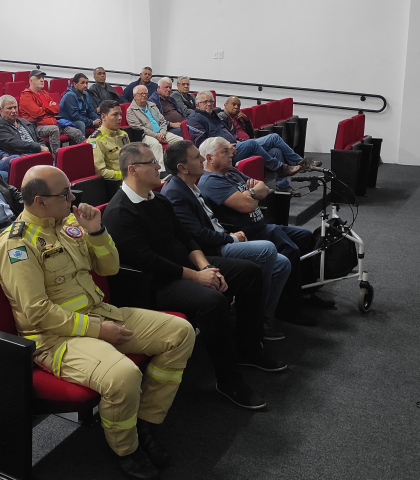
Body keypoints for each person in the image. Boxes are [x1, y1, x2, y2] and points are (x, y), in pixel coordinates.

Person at [0, 165, 195, 479]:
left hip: (101, 313)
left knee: (180, 332)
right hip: (55, 339)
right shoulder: (15, 244)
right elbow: (36, 312)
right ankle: (126, 450)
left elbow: (110, 268)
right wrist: (98, 330)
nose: (73, 198)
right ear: (39, 201)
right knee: (123, 375)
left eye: (71, 190)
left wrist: (96, 231)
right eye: (65, 194)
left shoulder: (69, 224)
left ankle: (145, 422)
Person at [103, 142, 283, 411]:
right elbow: (147, 262)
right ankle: (228, 379)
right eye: (152, 163)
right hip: (153, 283)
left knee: (249, 272)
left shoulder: (158, 198)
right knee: (212, 300)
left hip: (184, 268)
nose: (158, 167)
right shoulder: (120, 211)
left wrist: (202, 267)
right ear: (133, 170)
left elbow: (186, 238)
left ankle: (247, 347)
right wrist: (196, 277)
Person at [162, 140, 291, 339]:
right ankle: (250, 321)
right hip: (210, 249)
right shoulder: (175, 193)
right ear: (182, 167)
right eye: (197, 157)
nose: (203, 159)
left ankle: (262, 318)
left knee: (282, 263)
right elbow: (197, 235)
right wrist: (230, 239)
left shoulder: (190, 186)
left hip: (220, 238)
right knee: (267, 250)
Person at [197, 136, 323, 326]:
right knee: (291, 250)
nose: (232, 153)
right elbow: (247, 205)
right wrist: (252, 194)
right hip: (247, 233)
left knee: (305, 237)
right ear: (210, 158)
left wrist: (251, 193)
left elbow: (264, 187)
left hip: (261, 226)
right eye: (225, 151)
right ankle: (288, 309)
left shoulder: (231, 172)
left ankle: (305, 293)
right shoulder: (211, 182)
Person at [187, 91, 311, 196]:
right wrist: (225, 145)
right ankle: (284, 166)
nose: (209, 104)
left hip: (235, 145)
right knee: (271, 138)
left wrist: (237, 140)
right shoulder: (194, 119)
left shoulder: (214, 115)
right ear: (197, 104)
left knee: (276, 151)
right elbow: (202, 143)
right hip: (221, 152)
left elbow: (232, 132)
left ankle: (282, 185)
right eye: (205, 102)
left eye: (211, 102)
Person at [18, 70, 85, 162]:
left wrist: (43, 107)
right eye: (38, 78)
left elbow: (57, 109)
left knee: (76, 132)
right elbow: (37, 113)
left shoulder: (45, 93)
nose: (42, 80)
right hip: (37, 127)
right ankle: (55, 160)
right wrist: (49, 106)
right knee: (54, 129)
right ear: (31, 81)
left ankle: (84, 156)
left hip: (54, 123)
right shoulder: (26, 95)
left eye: (42, 78)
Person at [126, 85, 183, 171]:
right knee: (156, 145)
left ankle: (178, 165)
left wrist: (162, 134)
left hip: (161, 133)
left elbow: (163, 121)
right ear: (134, 96)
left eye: (145, 93)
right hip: (145, 135)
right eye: (141, 94)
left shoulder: (152, 105)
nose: (144, 95)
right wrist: (156, 136)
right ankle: (161, 171)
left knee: (180, 141)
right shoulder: (131, 110)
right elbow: (139, 128)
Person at [88, 100, 129, 179]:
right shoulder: (95, 140)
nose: (120, 118)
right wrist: (125, 175)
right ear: (103, 117)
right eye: (115, 114)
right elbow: (100, 172)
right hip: (116, 185)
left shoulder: (123, 135)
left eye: (120, 114)